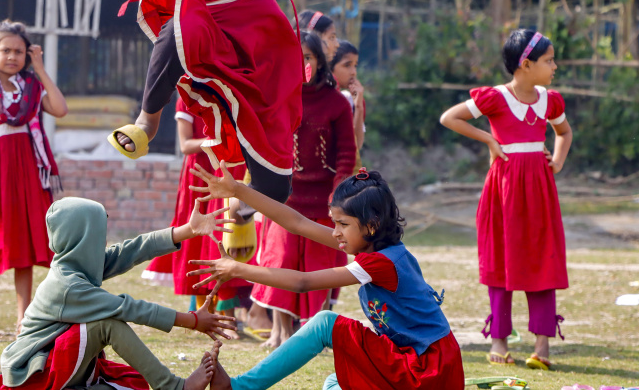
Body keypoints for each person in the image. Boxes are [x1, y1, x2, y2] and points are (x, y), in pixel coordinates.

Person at [0, 0, 382, 223]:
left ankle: (243, 210)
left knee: (275, 186)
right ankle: (147, 120)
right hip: (213, 48)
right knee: (179, 18)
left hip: (267, 59)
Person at [187, 165, 465, 390]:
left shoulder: (380, 262)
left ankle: (240, 389)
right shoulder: (374, 246)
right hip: (418, 363)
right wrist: (238, 190)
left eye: (343, 225)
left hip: (427, 371)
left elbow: (302, 282)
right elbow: (297, 223)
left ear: (372, 225)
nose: (335, 232)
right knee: (335, 381)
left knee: (325, 324)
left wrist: (236, 269)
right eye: (334, 223)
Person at [0, 197, 237, 390]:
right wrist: (192, 321)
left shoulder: (78, 264)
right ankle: (174, 387)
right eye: (99, 233)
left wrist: (188, 230)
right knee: (107, 323)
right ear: (82, 237)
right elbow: (125, 307)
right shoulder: (67, 285)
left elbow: (133, 250)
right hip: (34, 375)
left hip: (58, 364)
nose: (105, 239)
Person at [440, 29, 572, 371]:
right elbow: (449, 118)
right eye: (549, 60)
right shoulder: (495, 98)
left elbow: (564, 132)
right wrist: (488, 139)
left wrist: (556, 162)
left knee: (542, 259)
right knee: (501, 258)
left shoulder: (550, 100)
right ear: (525, 64)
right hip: (503, 190)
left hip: (540, 192)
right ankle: (498, 338)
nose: (555, 66)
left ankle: (542, 343)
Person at [0, 20, 69, 338]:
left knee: (24, 245)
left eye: (19, 51)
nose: (12, 56)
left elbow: (60, 109)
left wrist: (40, 68)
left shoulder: (33, 90)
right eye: (5, 50)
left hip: (28, 173)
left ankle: (24, 318)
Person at [249, 32, 356, 348]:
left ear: (320, 62)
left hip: (323, 201)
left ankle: (312, 334)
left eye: (307, 57)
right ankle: (279, 331)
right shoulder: (277, 97)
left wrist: (338, 195)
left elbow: (346, 154)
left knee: (320, 267)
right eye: (295, 58)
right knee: (280, 261)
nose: (302, 64)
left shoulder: (337, 103)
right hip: (285, 197)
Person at [141, 97, 259, 339]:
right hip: (200, 174)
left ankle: (227, 314)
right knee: (204, 241)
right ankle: (207, 312)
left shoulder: (228, 94)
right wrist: (221, 140)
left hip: (227, 171)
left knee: (227, 236)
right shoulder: (187, 99)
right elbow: (185, 145)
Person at [330, 40, 366, 166]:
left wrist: (358, 107)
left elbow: (357, 145)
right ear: (330, 67)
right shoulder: (320, 99)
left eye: (355, 65)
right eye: (347, 65)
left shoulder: (349, 100)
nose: (353, 72)